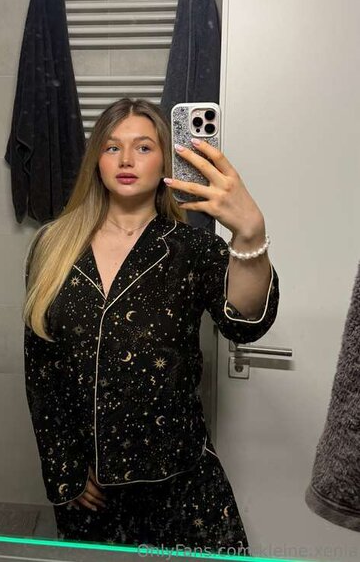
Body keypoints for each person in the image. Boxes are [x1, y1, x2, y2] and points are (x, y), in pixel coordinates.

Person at [23, 98, 279, 553]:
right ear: (96, 160)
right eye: (111, 147)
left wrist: (250, 234)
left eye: (143, 147)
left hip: (180, 484)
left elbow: (244, 323)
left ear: (166, 160)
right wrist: (65, 471)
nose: (126, 159)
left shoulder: (192, 249)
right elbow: (41, 370)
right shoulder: (52, 245)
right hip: (93, 492)